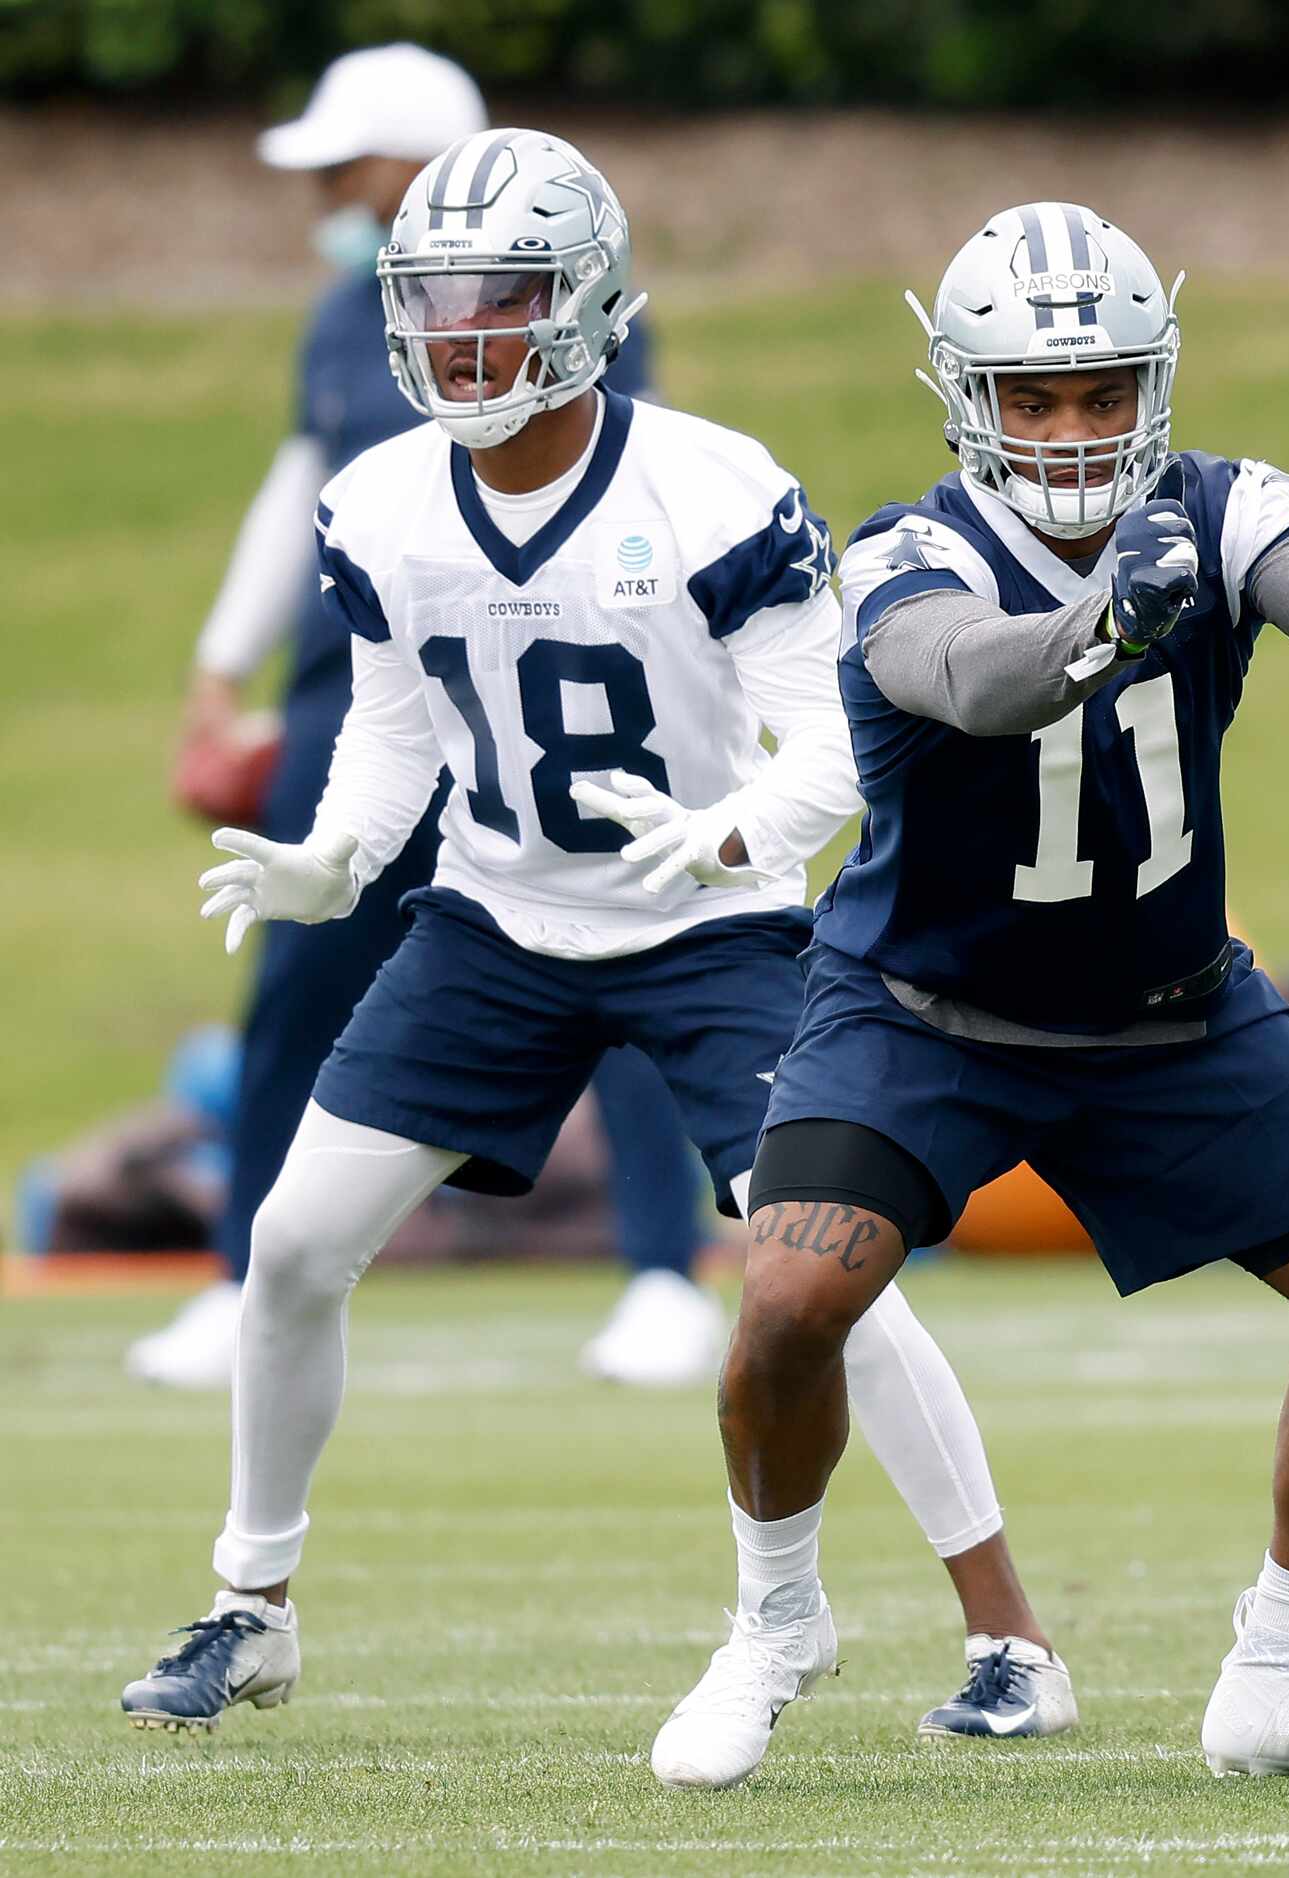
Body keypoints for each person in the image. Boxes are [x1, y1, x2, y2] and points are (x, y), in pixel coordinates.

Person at [118, 131, 1070, 1754]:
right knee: (288, 1243)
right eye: (437, 301)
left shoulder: (707, 487)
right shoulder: (384, 498)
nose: (461, 335)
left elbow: (836, 738)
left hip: (717, 928)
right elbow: (397, 719)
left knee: (832, 1274)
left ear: (591, 306)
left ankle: (1009, 1639)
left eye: (501, 299)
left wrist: (736, 833)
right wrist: (337, 855)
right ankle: (253, 1605)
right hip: (496, 920)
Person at [656, 201, 1289, 1786]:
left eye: (1100, 392)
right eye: (1033, 398)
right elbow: (967, 675)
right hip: (922, 1013)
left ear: (1152, 385)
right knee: (787, 1304)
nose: (1070, 428)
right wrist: (1112, 621)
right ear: (969, 399)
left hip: (1170, 1007)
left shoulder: (1221, 504)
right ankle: (774, 1622)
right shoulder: (906, 548)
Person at [137, 43, 724, 1392]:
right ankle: (243, 1280)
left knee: (619, 960)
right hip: (359, 692)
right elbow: (303, 475)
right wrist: (221, 660)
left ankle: (662, 1275)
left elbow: (643, 481)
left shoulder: (581, 299)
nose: (328, 195)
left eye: (348, 166)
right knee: (299, 980)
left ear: (422, 168)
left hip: (545, 684)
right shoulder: (341, 313)